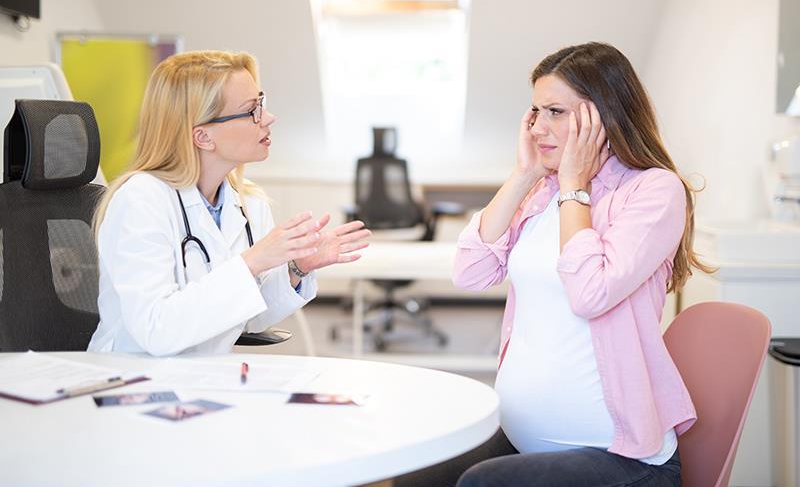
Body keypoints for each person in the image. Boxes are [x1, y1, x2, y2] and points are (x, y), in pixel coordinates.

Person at [402, 42, 712, 486]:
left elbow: (590, 293)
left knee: (482, 484)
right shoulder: (541, 192)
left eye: (556, 112)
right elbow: (470, 272)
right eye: (535, 112)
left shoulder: (653, 191)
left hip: (621, 458)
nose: (538, 128)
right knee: (413, 472)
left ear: (603, 115)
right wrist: (524, 174)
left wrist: (573, 184)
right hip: (519, 437)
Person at [87, 50, 370, 356]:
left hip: (203, 380)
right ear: (203, 137)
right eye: (252, 111)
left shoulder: (248, 202)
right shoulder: (141, 200)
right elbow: (157, 330)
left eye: (262, 104)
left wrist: (297, 268)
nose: (269, 118)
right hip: (133, 382)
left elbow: (249, 318)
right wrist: (253, 261)